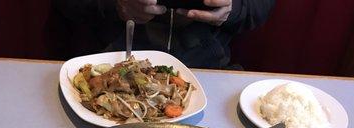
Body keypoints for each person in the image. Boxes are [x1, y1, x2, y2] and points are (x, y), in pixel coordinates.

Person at [49, 0, 275, 69]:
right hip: (109, 65)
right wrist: (115, 5)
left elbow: (262, 6)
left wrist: (234, 8)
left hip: (207, 71)